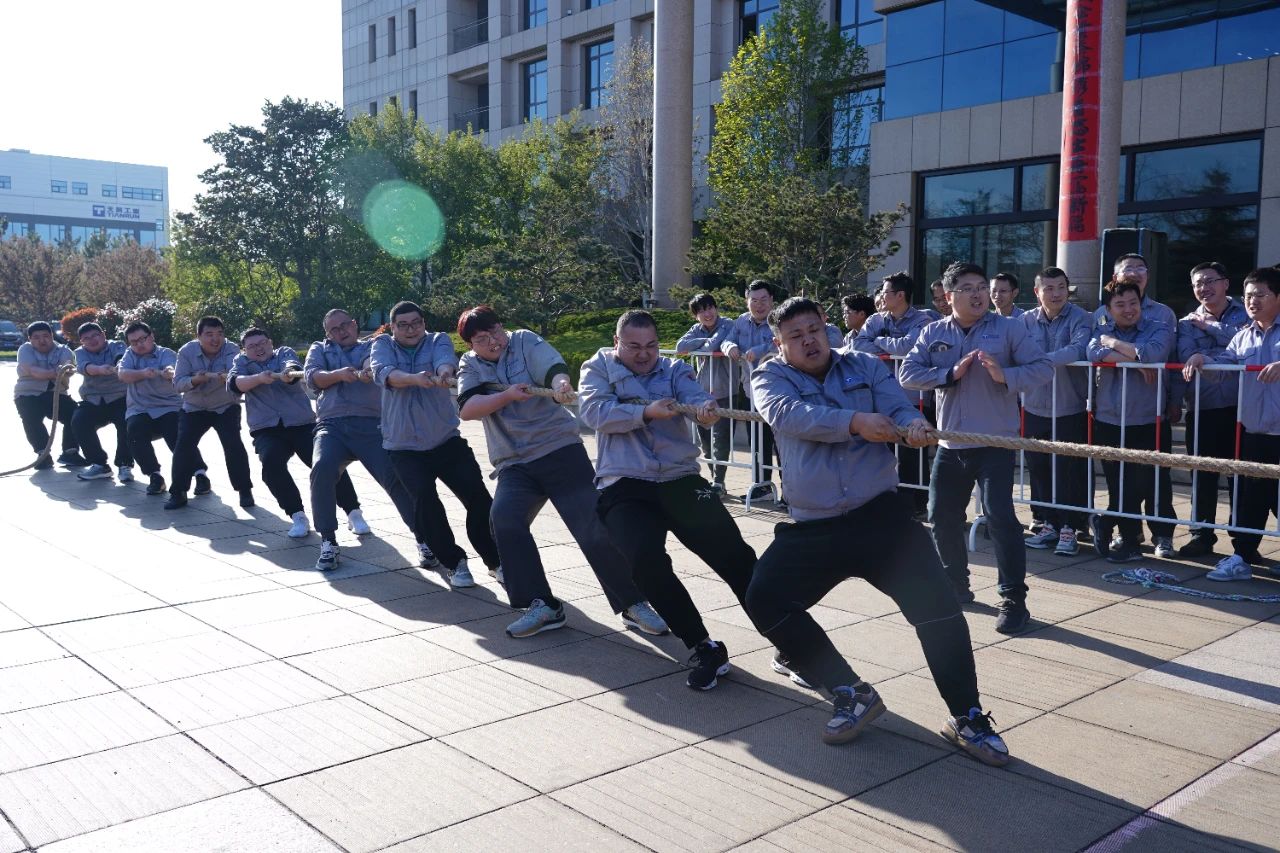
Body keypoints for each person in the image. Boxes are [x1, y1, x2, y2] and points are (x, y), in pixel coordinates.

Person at [748, 297, 1009, 765]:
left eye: (814, 330)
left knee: (939, 610)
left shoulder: (864, 366)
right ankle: (849, 691)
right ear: (778, 343)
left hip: (881, 518)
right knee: (765, 599)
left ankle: (967, 716)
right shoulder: (770, 376)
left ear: (826, 327)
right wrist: (855, 422)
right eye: (795, 336)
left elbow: (897, 407)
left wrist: (912, 424)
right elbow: (788, 415)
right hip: (814, 524)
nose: (808, 341)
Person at [456, 306, 668, 638]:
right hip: (514, 461)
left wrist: (561, 384)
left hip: (559, 448)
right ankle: (541, 604)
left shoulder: (523, 341)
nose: (493, 341)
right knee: (504, 519)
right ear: (471, 345)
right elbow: (468, 408)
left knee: (592, 526)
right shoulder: (469, 364)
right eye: (482, 339)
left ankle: (633, 603)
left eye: (495, 331)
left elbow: (553, 369)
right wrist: (507, 396)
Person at [579, 310, 759, 690]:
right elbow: (594, 412)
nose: (644, 354)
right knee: (645, 562)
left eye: (651, 346)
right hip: (624, 482)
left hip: (680, 478)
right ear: (616, 342)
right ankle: (703, 645)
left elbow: (695, 397)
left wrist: (705, 411)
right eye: (634, 347)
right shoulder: (597, 367)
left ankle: (789, 639)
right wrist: (645, 412)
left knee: (736, 556)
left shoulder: (674, 369)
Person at [901, 261, 1052, 634]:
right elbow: (908, 373)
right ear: (949, 295)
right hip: (950, 443)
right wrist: (948, 375)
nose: (978, 294)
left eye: (982, 287)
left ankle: (1013, 600)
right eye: (967, 288)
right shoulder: (933, 331)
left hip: (994, 443)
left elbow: (1043, 368)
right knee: (941, 516)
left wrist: (1006, 375)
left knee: (1001, 518)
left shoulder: (1009, 328)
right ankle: (955, 585)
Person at [371, 300, 501, 588]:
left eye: (416, 323)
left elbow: (445, 360)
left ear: (423, 323)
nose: (411, 330)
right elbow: (384, 373)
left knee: (479, 498)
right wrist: (414, 379)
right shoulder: (382, 345)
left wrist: (444, 372)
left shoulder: (438, 340)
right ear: (392, 328)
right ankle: (454, 563)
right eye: (403, 325)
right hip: (403, 447)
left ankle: (495, 560)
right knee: (426, 504)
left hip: (445, 440)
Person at [305, 308, 442, 572]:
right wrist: (338, 375)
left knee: (395, 476)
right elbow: (313, 377)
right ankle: (328, 541)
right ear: (328, 334)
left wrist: (368, 369)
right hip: (331, 426)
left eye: (346, 325)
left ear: (355, 324)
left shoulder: (373, 345)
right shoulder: (319, 349)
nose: (342, 331)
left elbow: (375, 364)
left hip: (373, 424)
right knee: (321, 468)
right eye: (335, 329)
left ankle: (423, 538)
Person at [1183, 268, 1280, 581]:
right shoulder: (1243, 336)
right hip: (1255, 431)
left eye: (1260, 294)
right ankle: (1242, 557)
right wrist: (1202, 359)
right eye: (1248, 295)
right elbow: (1224, 366)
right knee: (1251, 498)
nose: (1252, 301)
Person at [229, 328, 366, 540]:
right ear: (244, 350)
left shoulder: (284, 352)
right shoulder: (241, 362)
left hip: (301, 423)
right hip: (266, 429)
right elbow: (234, 384)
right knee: (271, 464)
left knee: (327, 464)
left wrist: (287, 374)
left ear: (270, 342)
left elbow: (293, 368)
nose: (259, 349)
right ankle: (297, 515)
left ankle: (353, 512)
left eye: (262, 343)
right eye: (252, 346)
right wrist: (259, 378)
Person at [1095, 253, 1179, 557]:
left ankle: (1161, 535)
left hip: (1150, 414)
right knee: (1118, 480)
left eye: (1139, 268)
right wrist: (1133, 358)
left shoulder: (1161, 317)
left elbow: (1156, 353)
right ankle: (1127, 535)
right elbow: (1091, 349)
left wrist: (1112, 344)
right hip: (1110, 413)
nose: (1128, 309)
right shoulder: (1100, 316)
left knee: (1154, 478)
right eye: (1127, 268)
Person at [1174, 262, 1249, 558]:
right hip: (1202, 407)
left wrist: (1209, 330)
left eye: (1210, 281)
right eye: (1198, 283)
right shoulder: (1186, 322)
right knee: (1202, 475)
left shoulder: (1247, 312)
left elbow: (1245, 345)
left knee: (1240, 477)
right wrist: (1216, 352)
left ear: (1225, 283)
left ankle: (1243, 541)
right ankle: (1201, 536)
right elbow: (1187, 354)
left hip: (1240, 408)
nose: (1204, 288)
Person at [1020, 267, 1092, 556]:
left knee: (1068, 471)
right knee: (1038, 469)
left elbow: (1077, 349)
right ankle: (1048, 523)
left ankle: (1070, 528)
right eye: (1049, 288)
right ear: (1037, 292)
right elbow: (1017, 351)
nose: (1056, 293)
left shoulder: (1081, 318)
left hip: (1069, 407)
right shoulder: (1025, 321)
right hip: (1033, 406)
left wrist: (1038, 361)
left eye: (1061, 287)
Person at [853, 272, 936, 517]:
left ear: (900, 295)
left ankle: (917, 503)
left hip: (913, 397)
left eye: (885, 292)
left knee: (913, 452)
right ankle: (889, 500)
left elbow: (910, 346)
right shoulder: (876, 319)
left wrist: (880, 342)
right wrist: (890, 344)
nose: (881, 296)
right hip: (881, 396)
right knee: (884, 451)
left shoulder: (923, 320)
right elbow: (859, 344)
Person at [165, 317, 254, 510]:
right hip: (194, 407)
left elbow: (236, 374)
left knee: (233, 445)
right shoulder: (187, 351)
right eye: (209, 334)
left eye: (219, 334)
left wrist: (229, 378)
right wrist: (194, 380)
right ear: (198, 336)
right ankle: (178, 492)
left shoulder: (231, 349)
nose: (216, 339)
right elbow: (177, 384)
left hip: (225, 406)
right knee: (183, 446)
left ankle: (244, 490)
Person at [117, 321, 206, 496]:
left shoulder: (166, 353)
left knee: (176, 433)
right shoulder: (129, 355)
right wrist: (143, 373)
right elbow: (123, 374)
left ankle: (200, 473)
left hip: (168, 406)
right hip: (140, 408)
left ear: (151, 337)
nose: (139, 345)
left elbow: (173, 370)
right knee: (134, 431)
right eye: (134, 342)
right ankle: (154, 475)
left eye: (142, 339)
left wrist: (168, 372)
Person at [676, 293, 736, 493]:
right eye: (701, 311)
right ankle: (715, 480)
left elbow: (713, 346)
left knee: (721, 439)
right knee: (706, 441)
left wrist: (702, 344)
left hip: (726, 389)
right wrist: (704, 340)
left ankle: (718, 481)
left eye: (709, 308)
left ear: (716, 308)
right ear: (696, 315)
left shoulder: (728, 324)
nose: (707, 314)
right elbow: (680, 347)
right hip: (702, 391)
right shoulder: (697, 329)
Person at [14, 321, 83, 469]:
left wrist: (62, 370)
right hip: (28, 393)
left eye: (46, 336)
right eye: (36, 337)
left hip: (56, 393)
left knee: (75, 415)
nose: (42, 340)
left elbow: (67, 367)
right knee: (31, 419)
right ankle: (43, 454)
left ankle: (70, 452)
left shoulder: (64, 350)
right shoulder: (25, 350)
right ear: (30, 339)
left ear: (52, 336)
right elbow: (33, 371)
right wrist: (54, 372)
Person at [72, 322, 133, 482]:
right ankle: (99, 464)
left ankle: (125, 464)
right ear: (81, 342)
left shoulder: (117, 345)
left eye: (95, 335)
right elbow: (84, 367)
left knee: (126, 422)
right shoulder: (80, 352)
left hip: (120, 397)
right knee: (79, 421)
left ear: (103, 335)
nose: (92, 340)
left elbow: (121, 358)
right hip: (93, 399)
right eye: (86, 338)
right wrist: (99, 369)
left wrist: (119, 366)